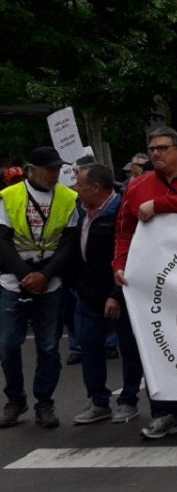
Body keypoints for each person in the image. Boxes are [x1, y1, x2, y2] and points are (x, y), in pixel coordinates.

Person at [113, 127, 177, 440]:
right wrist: (119, 265)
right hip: (154, 279)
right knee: (156, 343)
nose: (156, 153)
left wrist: (158, 205)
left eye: (162, 148)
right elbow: (125, 231)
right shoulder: (137, 185)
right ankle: (165, 413)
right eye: (152, 148)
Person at [0, 147, 79, 428]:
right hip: (13, 282)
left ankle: (44, 403)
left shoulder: (68, 198)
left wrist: (45, 275)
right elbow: (2, 241)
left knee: (48, 347)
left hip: (50, 282)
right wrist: (26, 276)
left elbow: (68, 243)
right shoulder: (9, 196)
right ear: (31, 170)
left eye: (57, 169)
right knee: (8, 344)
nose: (54, 174)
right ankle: (15, 399)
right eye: (49, 169)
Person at [70, 163, 143, 425]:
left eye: (80, 185)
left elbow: (131, 256)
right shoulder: (79, 211)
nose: (75, 189)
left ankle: (128, 400)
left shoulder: (123, 212)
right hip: (87, 293)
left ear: (96, 188)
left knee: (128, 348)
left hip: (118, 293)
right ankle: (98, 401)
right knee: (90, 348)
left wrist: (116, 293)